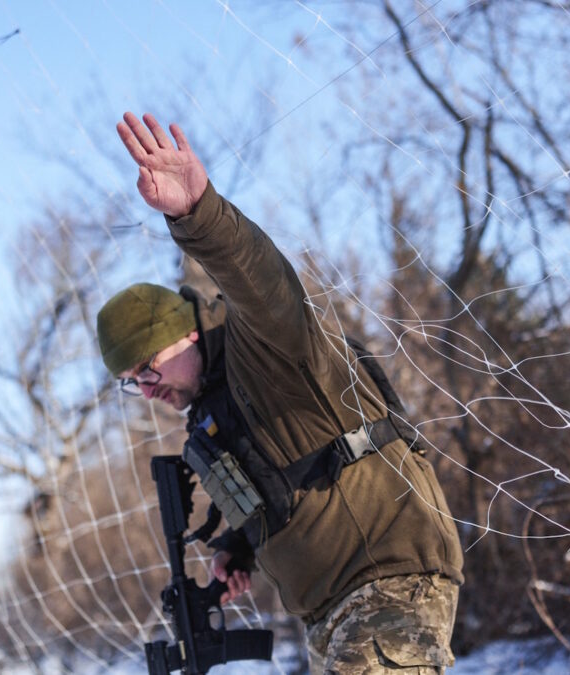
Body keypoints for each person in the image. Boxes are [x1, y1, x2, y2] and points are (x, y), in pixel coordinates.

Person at [97, 112, 464, 674]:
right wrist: (239, 548)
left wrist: (198, 215)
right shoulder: (214, 407)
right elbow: (283, 480)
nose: (147, 390)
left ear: (186, 333)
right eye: (132, 382)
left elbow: (263, 282)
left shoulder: (264, 346)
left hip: (386, 580)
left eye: (148, 368)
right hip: (329, 611)